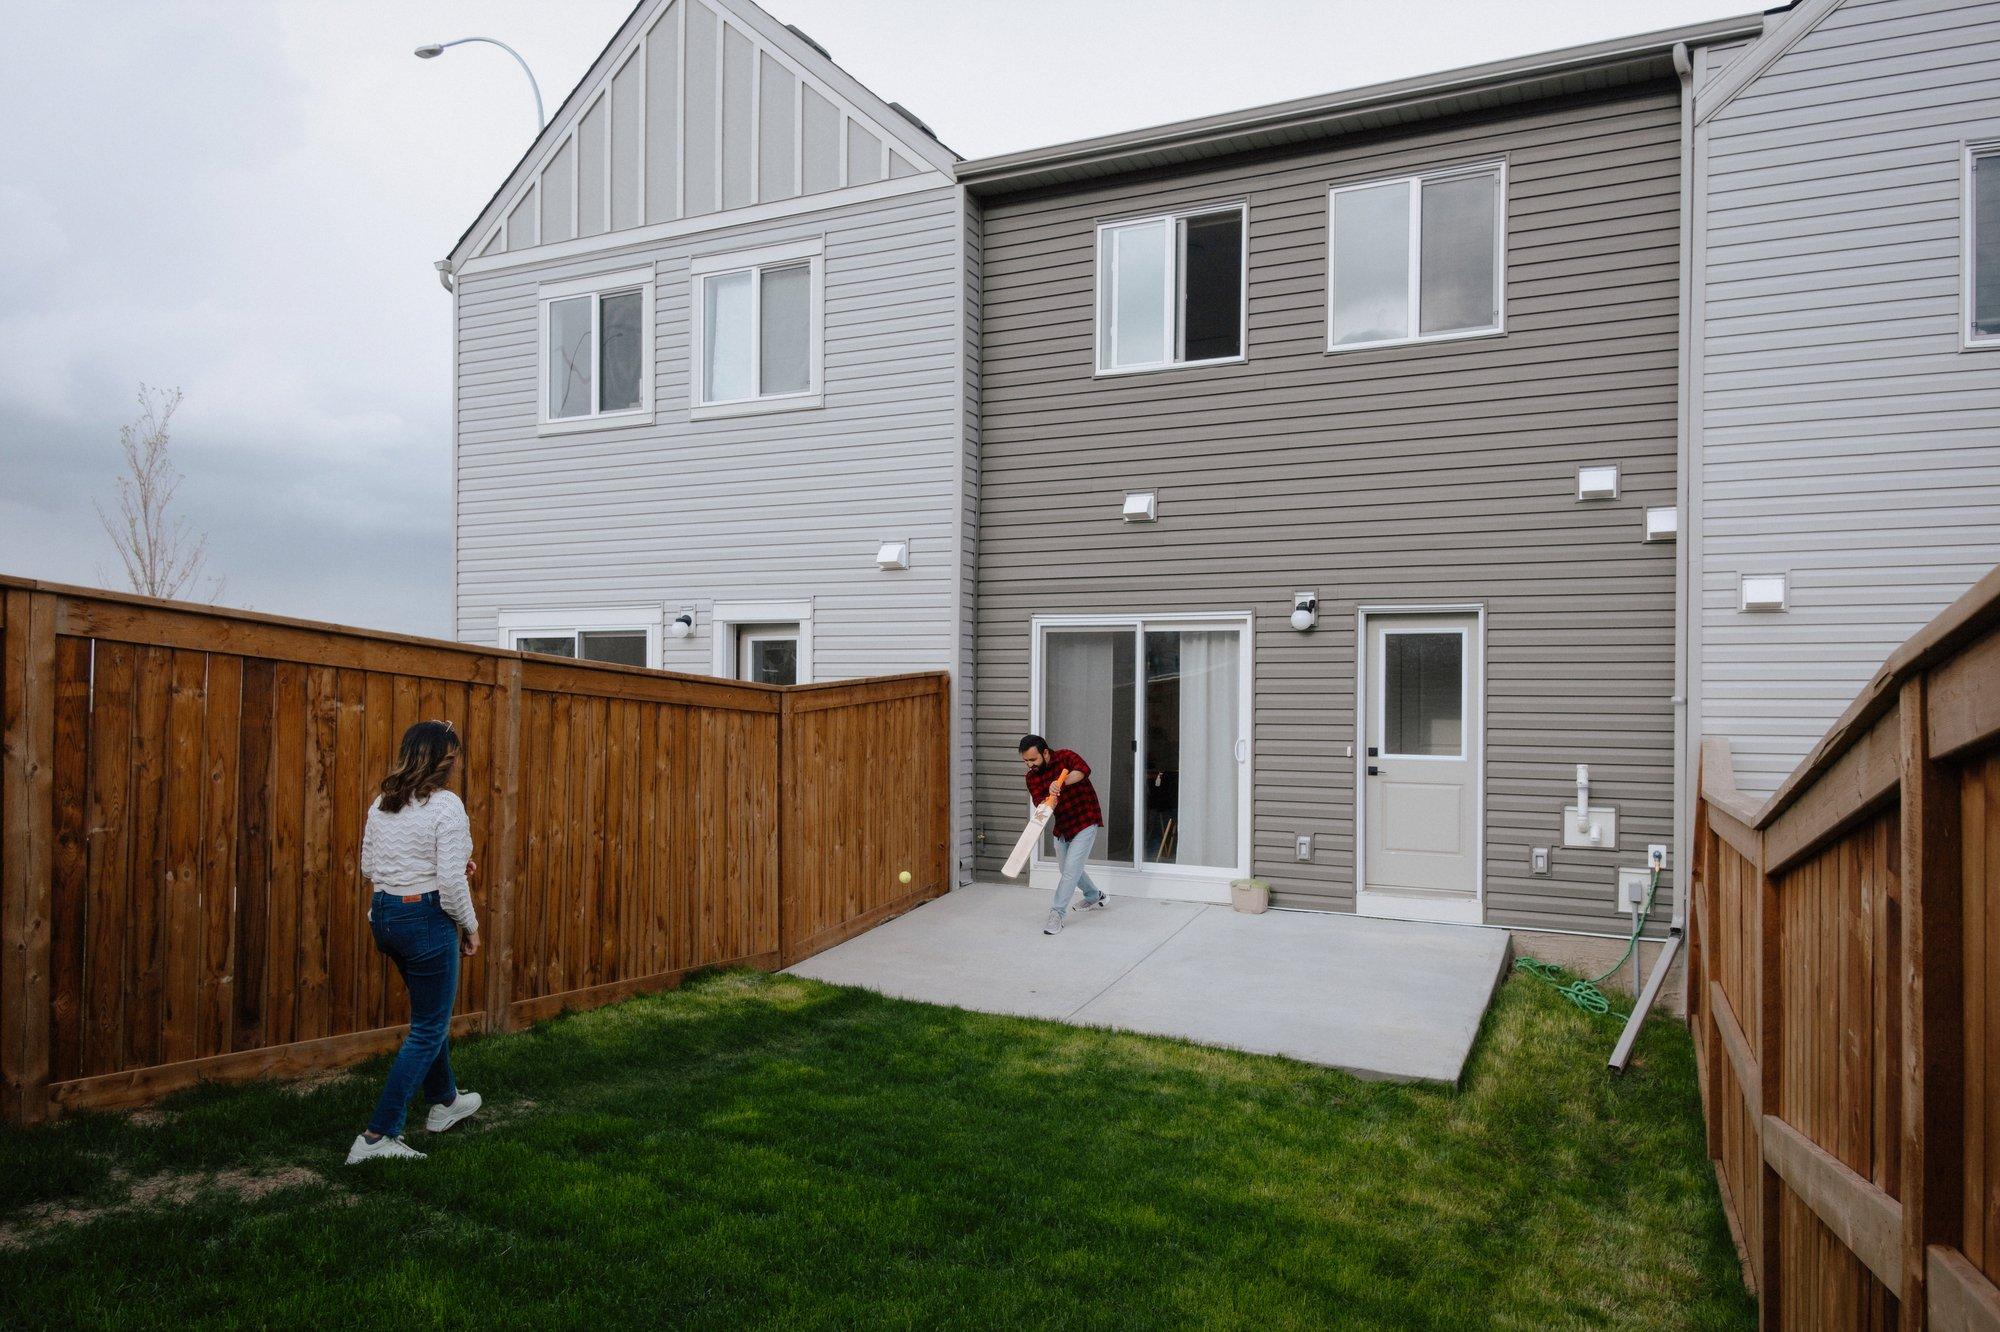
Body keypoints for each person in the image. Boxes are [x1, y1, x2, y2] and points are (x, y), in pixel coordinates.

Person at [347, 720, 483, 1164]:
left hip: (386, 916)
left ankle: (445, 1102)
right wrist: (471, 926)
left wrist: (447, 867)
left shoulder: (382, 804)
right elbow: (448, 880)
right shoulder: (447, 807)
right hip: (425, 919)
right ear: (445, 761)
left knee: (430, 1014)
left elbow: (370, 865)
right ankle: (377, 1136)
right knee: (427, 1028)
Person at [1018, 734, 1109, 935]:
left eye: (1033, 760)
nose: (1029, 765)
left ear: (1045, 753)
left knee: (1070, 870)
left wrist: (1062, 781)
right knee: (1067, 869)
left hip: (1086, 819)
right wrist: (1050, 799)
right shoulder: (1031, 778)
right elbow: (1041, 804)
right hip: (1063, 826)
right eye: (1025, 761)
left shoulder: (1066, 756)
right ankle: (1095, 895)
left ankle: (1057, 914)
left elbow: (1084, 771)